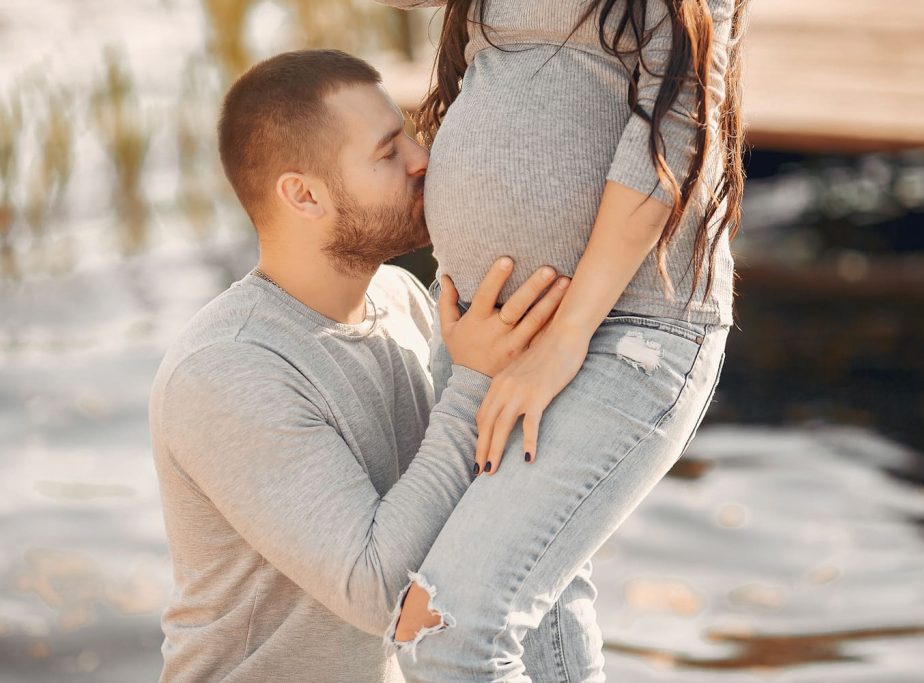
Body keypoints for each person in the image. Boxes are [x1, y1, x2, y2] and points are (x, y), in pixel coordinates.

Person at [148, 49, 597, 682]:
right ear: (303, 195)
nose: (422, 160)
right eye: (389, 153)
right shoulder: (226, 369)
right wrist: (474, 380)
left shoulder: (403, 297)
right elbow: (381, 593)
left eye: (409, 134)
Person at [377, 1, 749, 680]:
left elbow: (676, 122)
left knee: (450, 633)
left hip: (626, 323)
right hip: (485, 327)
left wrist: (566, 336)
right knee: (539, 610)